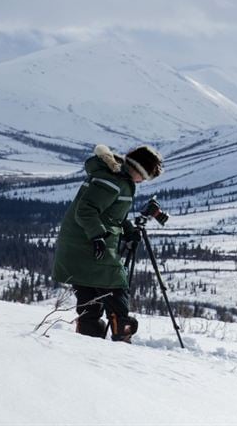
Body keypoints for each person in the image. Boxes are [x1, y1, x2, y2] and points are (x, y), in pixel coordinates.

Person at [52, 143, 163, 342]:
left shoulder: (117, 178)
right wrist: (98, 236)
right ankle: (121, 337)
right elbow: (85, 210)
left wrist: (128, 231)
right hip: (88, 244)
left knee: (90, 295)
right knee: (115, 286)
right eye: (144, 177)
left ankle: (89, 342)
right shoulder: (112, 180)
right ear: (138, 169)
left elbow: (111, 214)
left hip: (81, 243)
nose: (142, 182)